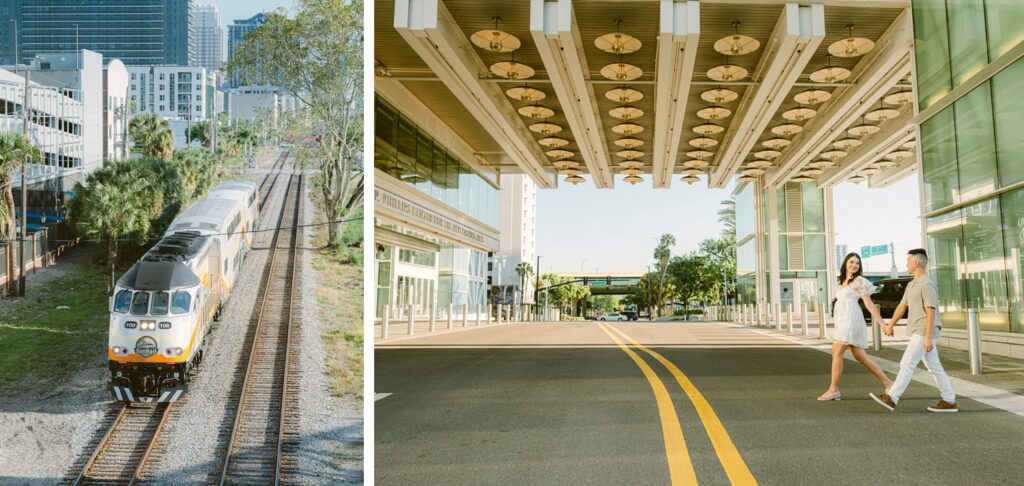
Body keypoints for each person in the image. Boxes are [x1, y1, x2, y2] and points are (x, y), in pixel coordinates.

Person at [870, 249, 957, 412]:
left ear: (916, 263)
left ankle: (892, 397)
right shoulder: (912, 284)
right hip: (920, 331)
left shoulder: (927, 284)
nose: (906, 264)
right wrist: (890, 325)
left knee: (907, 363)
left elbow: (931, 311)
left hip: (924, 330)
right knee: (934, 367)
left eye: (908, 261)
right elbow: (902, 306)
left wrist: (928, 337)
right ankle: (949, 400)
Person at [817, 252, 894, 401]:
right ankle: (888, 382)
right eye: (851, 262)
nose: (854, 265)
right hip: (843, 320)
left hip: (851, 320)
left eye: (857, 263)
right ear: (846, 263)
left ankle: (834, 390)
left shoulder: (859, 281)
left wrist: (883, 323)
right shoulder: (841, 283)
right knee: (860, 356)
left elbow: (869, 304)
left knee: (837, 351)